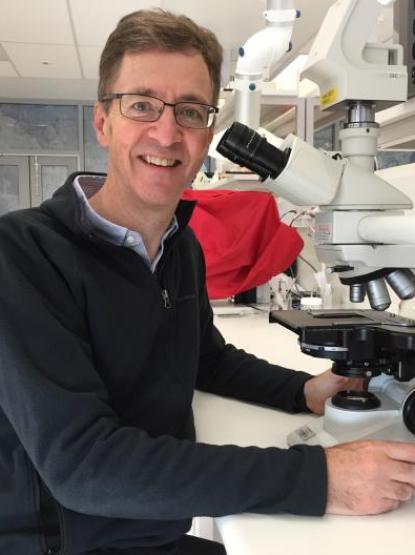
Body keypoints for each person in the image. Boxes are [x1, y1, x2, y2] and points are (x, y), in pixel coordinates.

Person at [0, 8, 414, 555]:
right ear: (104, 121)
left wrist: (302, 391)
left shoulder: (180, 246)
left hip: (152, 524)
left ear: (209, 131)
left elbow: (204, 358)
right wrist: (319, 478)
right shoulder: (24, 254)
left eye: (191, 111)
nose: (167, 132)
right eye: (142, 104)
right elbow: (84, 466)